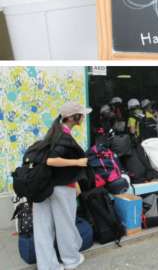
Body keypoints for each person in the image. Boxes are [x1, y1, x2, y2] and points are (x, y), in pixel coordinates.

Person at [33, 101, 91, 270]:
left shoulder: (53, 133)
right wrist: (78, 162)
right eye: (82, 115)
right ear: (73, 117)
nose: (84, 117)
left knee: (43, 228)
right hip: (61, 187)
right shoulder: (64, 136)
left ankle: (48, 266)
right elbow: (51, 160)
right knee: (65, 224)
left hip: (43, 186)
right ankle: (71, 260)